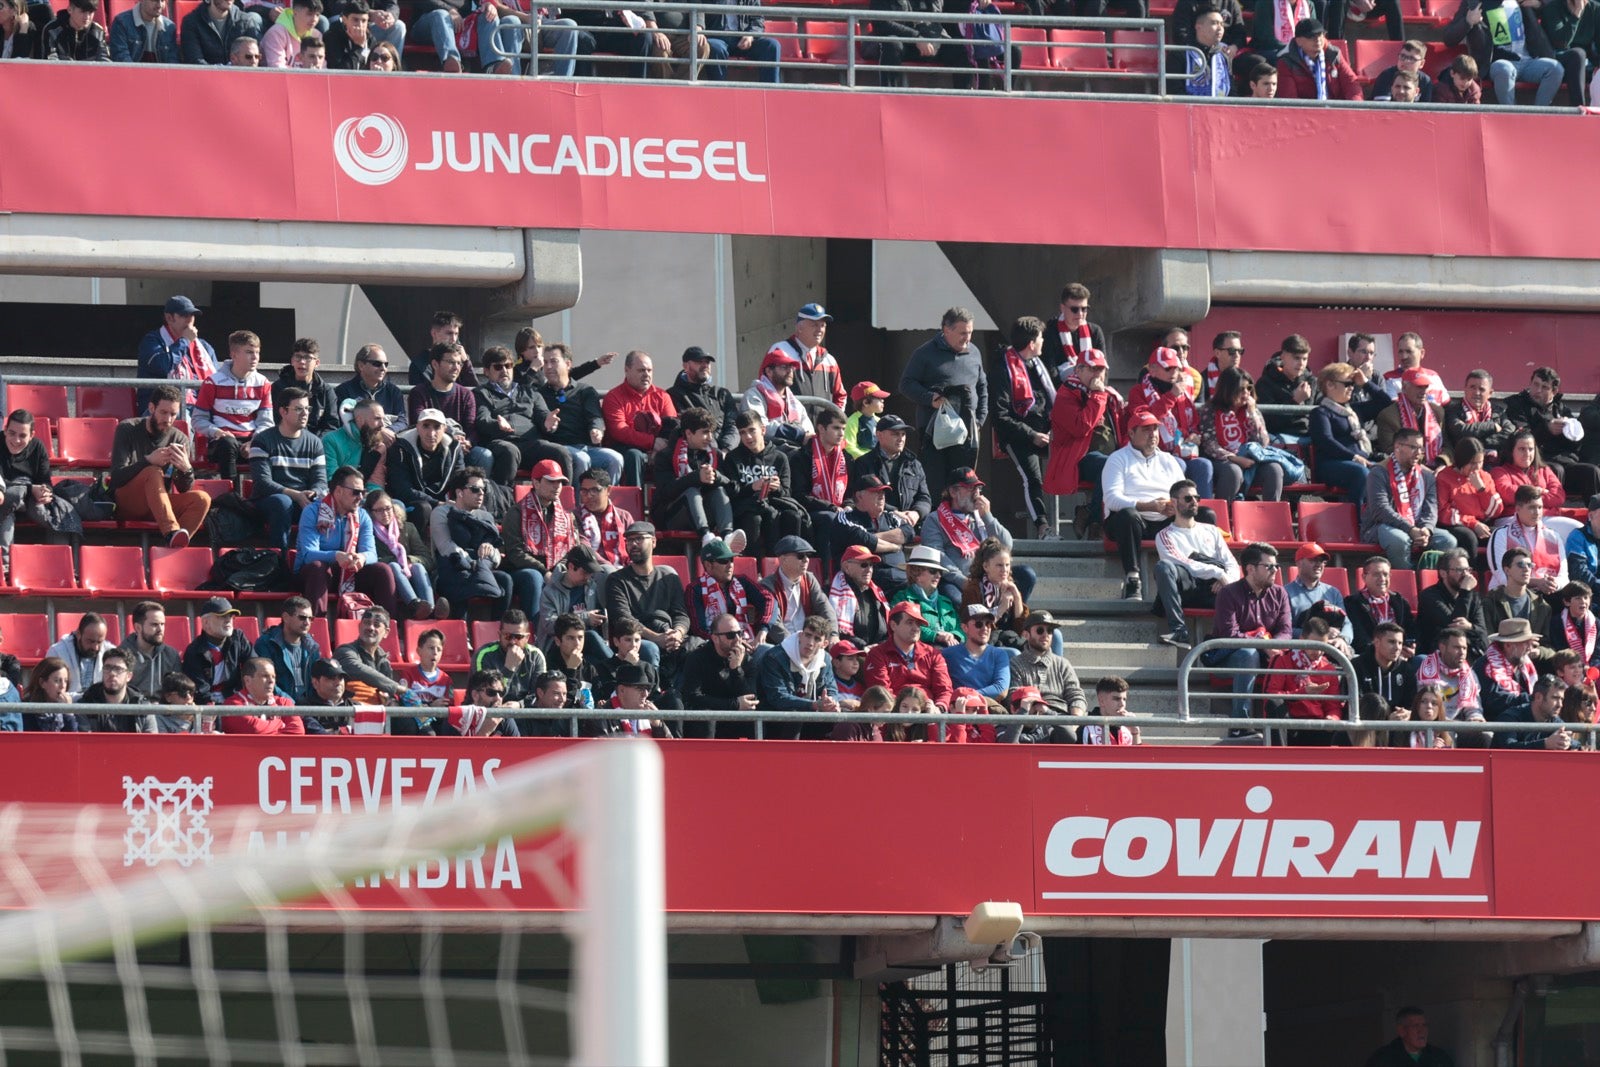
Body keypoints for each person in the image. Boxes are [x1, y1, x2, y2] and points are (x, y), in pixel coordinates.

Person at [110, 383, 211, 548]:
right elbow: (116, 478)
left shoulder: (179, 438)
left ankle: (173, 548)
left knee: (202, 499)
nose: (168, 419)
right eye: (163, 412)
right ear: (151, 408)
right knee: (153, 471)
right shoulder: (127, 428)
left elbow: (184, 488)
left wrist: (186, 470)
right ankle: (171, 532)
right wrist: (148, 460)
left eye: (173, 414)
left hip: (159, 505)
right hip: (128, 502)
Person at [1207, 542, 1292, 738]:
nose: (1275, 571)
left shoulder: (1280, 593)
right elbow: (1230, 635)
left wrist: (1274, 646)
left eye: (1276, 566)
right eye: (1269, 566)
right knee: (1248, 653)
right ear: (1250, 569)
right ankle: (1240, 724)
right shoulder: (1228, 593)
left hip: (1268, 653)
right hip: (1227, 656)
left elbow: (1286, 631)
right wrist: (1263, 644)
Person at [1103, 411, 1188, 601]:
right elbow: (1111, 500)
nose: (1153, 434)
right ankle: (1133, 579)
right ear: (1131, 434)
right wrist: (1148, 506)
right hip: (1131, 522)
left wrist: (1176, 506)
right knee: (1128, 515)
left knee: (1204, 514)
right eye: (1146, 429)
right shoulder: (1117, 458)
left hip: (1164, 519)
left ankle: (1192, 577)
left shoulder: (1168, 460)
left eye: (1155, 429)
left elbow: (1185, 492)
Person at [899, 307, 986, 492]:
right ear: (947, 330)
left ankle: (961, 520)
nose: (967, 338)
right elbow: (906, 384)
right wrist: (930, 398)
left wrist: (980, 419)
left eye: (970, 332)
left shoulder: (974, 352)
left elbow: (982, 386)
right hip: (934, 433)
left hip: (967, 432)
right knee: (936, 486)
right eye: (963, 333)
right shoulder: (924, 353)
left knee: (964, 486)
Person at [922, 468, 1035, 606]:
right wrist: (963, 581)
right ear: (953, 492)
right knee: (954, 597)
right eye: (970, 488)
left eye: (978, 487)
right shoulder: (935, 519)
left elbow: (1007, 545)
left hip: (990, 575)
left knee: (1026, 574)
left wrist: (988, 517)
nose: (976, 493)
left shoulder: (981, 515)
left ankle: (1008, 619)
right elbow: (938, 556)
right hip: (959, 580)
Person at [1044, 347, 1124, 538]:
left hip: (1108, 457)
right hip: (1076, 460)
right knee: (1110, 466)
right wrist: (1097, 396)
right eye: (1092, 369)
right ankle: (1095, 520)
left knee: (1126, 465)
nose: (1097, 374)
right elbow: (1082, 426)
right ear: (1078, 371)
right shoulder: (1066, 395)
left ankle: (1090, 513)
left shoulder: (1109, 395)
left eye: (1101, 369)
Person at [990, 316, 1056, 539]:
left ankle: (1084, 513)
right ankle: (1043, 527)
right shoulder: (1002, 368)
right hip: (1018, 435)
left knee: (1073, 461)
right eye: (1041, 338)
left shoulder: (1038, 365)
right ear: (1031, 344)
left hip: (1045, 432)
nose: (1043, 342)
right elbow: (1000, 416)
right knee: (1033, 479)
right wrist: (1031, 434)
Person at [1153, 480, 1240, 650]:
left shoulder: (1211, 530)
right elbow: (1183, 562)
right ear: (1174, 502)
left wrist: (1225, 580)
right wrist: (1218, 574)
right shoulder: (1165, 535)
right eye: (1188, 498)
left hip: (1213, 589)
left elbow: (1230, 562)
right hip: (1187, 589)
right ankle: (1179, 631)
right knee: (1163, 567)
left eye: (1196, 497)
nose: (1194, 502)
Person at [650, 408, 746, 553]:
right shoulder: (666, 456)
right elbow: (665, 492)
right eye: (705, 432)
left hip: (707, 512)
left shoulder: (715, 455)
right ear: (689, 433)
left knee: (718, 489)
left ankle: (727, 536)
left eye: (711, 432)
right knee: (691, 490)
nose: (710, 438)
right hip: (673, 516)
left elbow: (734, 489)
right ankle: (706, 536)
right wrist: (695, 477)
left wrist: (718, 477)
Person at [1361, 428, 1456, 570]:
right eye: (1413, 447)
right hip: (1379, 527)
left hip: (1416, 528)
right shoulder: (1379, 472)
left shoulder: (1426, 475)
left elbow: (1431, 508)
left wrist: (1426, 530)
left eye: (1421, 448)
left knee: (1448, 540)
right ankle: (1406, 582)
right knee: (1400, 540)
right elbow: (1380, 509)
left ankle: (1426, 580)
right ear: (1397, 447)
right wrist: (1410, 529)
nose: (1419, 453)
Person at [1445, 0, 1572, 105]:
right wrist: (1468, 22)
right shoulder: (1475, 3)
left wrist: (1539, 4)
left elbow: (1553, 5)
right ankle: (1511, 115)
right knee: (1505, 69)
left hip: (1527, 61)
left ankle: (1538, 114)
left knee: (1555, 69)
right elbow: (1448, 38)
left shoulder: (1521, 2)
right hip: (1498, 63)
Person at [472, 345, 568, 485]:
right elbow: (482, 420)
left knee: (561, 452)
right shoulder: (482, 393)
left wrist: (549, 423)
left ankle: (564, 501)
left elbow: (543, 415)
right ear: (487, 372)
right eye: (498, 367)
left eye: (508, 365)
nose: (504, 370)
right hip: (501, 442)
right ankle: (503, 499)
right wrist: (497, 424)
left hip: (530, 443)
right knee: (510, 451)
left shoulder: (529, 392)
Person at [249, 386, 329, 551]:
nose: (305, 413)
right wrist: (296, 495)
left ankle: (315, 559)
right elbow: (263, 482)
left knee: (326, 502)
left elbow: (321, 481)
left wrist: (313, 492)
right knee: (282, 502)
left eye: (308, 408)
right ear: (283, 412)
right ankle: (279, 560)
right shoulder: (263, 440)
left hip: (303, 500)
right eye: (299, 409)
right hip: (269, 501)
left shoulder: (315, 442)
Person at [603, 521, 690, 672]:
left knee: (697, 647)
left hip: (669, 636)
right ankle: (652, 693)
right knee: (650, 648)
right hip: (637, 640)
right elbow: (623, 619)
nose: (633, 544)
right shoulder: (617, 580)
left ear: (654, 541)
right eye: (629, 540)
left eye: (639, 538)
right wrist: (657, 638)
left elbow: (681, 614)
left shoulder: (669, 577)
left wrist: (677, 633)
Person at [1127, 346, 1212, 498]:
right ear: (1152, 370)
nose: (1174, 373)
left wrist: (1194, 435)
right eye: (1168, 368)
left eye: (1177, 368)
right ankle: (1174, 513)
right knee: (1177, 464)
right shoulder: (1138, 391)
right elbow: (1144, 421)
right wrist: (1171, 396)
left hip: (1183, 451)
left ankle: (1202, 514)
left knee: (1204, 465)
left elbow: (1193, 424)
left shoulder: (1183, 393)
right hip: (1150, 453)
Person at [432, 467, 517, 619]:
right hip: (451, 568)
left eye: (483, 489)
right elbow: (446, 547)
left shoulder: (486, 516)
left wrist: (490, 549)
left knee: (506, 580)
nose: (481, 493)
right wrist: (474, 562)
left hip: (482, 568)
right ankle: (462, 635)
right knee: (461, 578)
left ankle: (497, 628)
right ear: (459, 492)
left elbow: (497, 556)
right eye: (475, 489)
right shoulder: (441, 513)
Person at [504, 458, 580, 627]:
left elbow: (574, 548)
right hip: (523, 570)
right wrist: (544, 571)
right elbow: (515, 553)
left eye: (560, 482)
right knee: (533, 577)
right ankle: (535, 627)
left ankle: (576, 626)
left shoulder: (567, 516)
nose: (557, 486)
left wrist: (560, 568)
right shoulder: (516, 513)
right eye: (551, 481)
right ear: (536, 483)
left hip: (557, 568)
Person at [0, 409, 82, 562]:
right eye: (11, 433)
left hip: (30, 498)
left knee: (57, 515)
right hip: (6, 499)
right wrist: (30, 489)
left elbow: (45, 481)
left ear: (31, 436)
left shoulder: (38, 447)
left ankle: (60, 564)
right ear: (5, 430)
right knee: (12, 499)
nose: (16, 440)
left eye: (22, 435)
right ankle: (4, 566)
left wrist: (45, 492)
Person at [724, 410, 809, 557]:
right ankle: (756, 567)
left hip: (774, 505)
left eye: (752, 430)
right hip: (746, 508)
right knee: (755, 518)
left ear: (763, 430)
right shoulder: (733, 458)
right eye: (743, 433)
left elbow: (787, 493)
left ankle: (792, 562)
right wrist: (753, 487)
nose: (748, 437)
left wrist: (775, 488)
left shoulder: (780, 458)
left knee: (792, 516)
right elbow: (732, 492)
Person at [1505, 367, 1599, 498]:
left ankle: (1595, 514)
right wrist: (1547, 429)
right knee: (1555, 470)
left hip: (1565, 460)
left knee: (1592, 471)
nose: (1538, 390)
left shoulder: (1561, 409)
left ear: (1554, 391)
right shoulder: (1517, 405)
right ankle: (1550, 513)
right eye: (1535, 384)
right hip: (1535, 460)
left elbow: (1575, 447)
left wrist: (1572, 434)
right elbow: (1521, 436)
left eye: (1544, 387)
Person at [539, 342, 622, 483]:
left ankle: (605, 503)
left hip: (585, 447)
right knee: (581, 459)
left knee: (614, 458)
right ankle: (577, 504)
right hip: (557, 449)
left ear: (568, 364)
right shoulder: (539, 394)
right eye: (545, 362)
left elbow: (595, 416)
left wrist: (596, 429)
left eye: (553, 361)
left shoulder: (585, 391)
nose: (548, 367)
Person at [1200, 367, 1284, 502]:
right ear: (1227, 390)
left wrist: (1252, 415)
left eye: (1248, 388)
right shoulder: (1210, 410)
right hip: (1222, 461)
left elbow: (1263, 442)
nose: (1246, 393)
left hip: (1251, 460)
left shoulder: (1252, 410)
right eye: (1240, 390)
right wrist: (1235, 458)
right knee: (1233, 471)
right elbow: (1210, 445)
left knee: (1274, 469)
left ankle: (1272, 515)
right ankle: (1224, 516)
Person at [754, 614, 839, 740]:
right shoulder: (775, 657)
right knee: (795, 718)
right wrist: (814, 705)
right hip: (774, 719)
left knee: (840, 718)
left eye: (817, 639)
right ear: (800, 635)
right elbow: (778, 697)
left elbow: (831, 688)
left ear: (824, 644)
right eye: (808, 635)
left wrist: (831, 702)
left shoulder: (825, 659)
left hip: (808, 716)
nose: (810, 643)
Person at [1265, 617, 1346, 745]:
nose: (1318, 652)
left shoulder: (1329, 669)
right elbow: (1270, 697)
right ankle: (1279, 758)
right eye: (1314, 645)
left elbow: (1333, 706)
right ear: (1302, 640)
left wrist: (1332, 718)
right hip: (1289, 726)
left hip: (1317, 726)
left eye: (1323, 646)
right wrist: (1302, 693)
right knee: (1275, 704)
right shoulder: (1281, 659)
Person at [679, 612, 761, 738]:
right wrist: (734, 704)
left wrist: (736, 670)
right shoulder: (697, 658)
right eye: (731, 635)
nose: (738, 639)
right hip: (707, 720)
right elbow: (692, 697)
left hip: (734, 721)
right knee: (706, 717)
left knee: (756, 719)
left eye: (740, 633)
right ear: (715, 638)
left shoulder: (747, 660)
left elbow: (750, 699)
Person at [602, 350, 678, 486]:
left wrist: (657, 447)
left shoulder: (662, 396)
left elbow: (672, 426)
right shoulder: (614, 397)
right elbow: (619, 431)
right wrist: (652, 442)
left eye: (649, 370)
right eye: (641, 370)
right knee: (634, 455)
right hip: (624, 448)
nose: (646, 375)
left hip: (658, 447)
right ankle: (635, 503)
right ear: (627, 370)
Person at [365, 489, 443, 620]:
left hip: (410, 575)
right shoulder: (368, 531)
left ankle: (431, 609)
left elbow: (427, 559)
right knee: (394, 566)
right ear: (371, 513)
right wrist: (397, 561)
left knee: (418, 567)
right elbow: (372, 559)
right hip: (385, 578)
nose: (385, 514)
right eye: (379, 510)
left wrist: (408, 560)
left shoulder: (408, 528)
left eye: (388, 508)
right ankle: (415, 605)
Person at [408, 344, 486, 471]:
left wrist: (468, 442)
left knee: (483, 456)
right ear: (435, 364)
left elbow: (471, 428)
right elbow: (419, 424)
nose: (456, 367)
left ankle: (475, 489)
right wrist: (449, 438)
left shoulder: (466, 394)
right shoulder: (419, 393)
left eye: (459, 363)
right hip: (431, 448)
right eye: (451, 362)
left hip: (461, 449)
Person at [864, 602, 954, 712]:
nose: (916, 628)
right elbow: (881, 693)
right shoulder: (877, 654)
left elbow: (944, 689)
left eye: (918, 624)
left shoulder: (933, 654)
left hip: (928, 716)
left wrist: (939, 708)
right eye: (910, 623)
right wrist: (908, 710)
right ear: (893, 625)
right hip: (893, 717)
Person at [1311, 362, 1377, 507]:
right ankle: (1358, 522)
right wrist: (1353, 457)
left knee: (1386, 471)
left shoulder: (1353, 410)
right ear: (1330, 385)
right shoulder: (1320, 413)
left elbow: (1383, 402)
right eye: (1347, 383)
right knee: (1361, 473)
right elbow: (1326, 441)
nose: (1352, 388)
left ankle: (1383, 520)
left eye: (1353, 384)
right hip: (1332, 463)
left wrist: (1365, 383)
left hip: (1360, 460)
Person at [849, 414, 932, 526]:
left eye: (903, 434)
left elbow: (924, 498)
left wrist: (916, 513)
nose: (901, 438)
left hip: (912, 525)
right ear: (879, 435)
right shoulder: (864, 463)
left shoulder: (914, 464)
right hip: (876, 525)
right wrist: (895, 513)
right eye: (895, 434)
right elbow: (862, 499)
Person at [388, 408, 464, 527]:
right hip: (409, 502)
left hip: (441, 501)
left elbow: (460, 479)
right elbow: (402, 489)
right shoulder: (400, 448)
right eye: (426, 426)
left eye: (437, 427)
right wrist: (436, 503)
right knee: (424, 508)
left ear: (444, 429)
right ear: (417, 427)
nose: (431, 433)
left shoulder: (454, 448)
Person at [690, 537, 771, 645]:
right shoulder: (695, 589)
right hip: (714, 647)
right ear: (708, 565)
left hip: (748, 642)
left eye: (731, 560)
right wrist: (732, 643)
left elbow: (768, 599)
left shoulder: (742, 581)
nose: (730, 565)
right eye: (723, 561)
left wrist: (763, 630)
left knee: (768, 652)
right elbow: (699, 630)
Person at [137, 295, 216, 405]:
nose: (190, 320)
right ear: (169, 318)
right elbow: (163, 366)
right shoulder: (152, 341)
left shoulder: (204, 347)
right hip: (162, 408)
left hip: (201, 407)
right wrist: (185, 341)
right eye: (184, 315)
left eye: (192, 315)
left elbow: (217, 377)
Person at [1486, 485, 1567, 593]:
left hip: (1547, 594)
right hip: (1508, 596)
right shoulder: (1501, 534)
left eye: (1540, 507)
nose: (1537, 512)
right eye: (1532, 507)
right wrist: (1536, 582)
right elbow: (1501, 576)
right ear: (1518, 509)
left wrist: (1554, 585)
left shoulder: (1554, 536)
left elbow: (1564, 577)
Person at [1435, 438, 1503, 562]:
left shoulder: (1485, 476)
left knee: (1501, 535)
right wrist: (1472, 523)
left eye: (1480, 462)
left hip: (1481, 522)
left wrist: (1482, 489)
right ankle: (1471, 575)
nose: (1476, 467)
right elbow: (1443, 512)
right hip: (1455, 524)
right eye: (1472, 463)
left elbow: (1496, 511)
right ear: (1461, 461)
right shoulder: (1444, 477)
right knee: (1469, 537)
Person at [768, 304, 845, 411]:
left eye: (822, 325)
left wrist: (835, 420)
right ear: (799, 328)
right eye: (814, 325)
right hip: (790, 426)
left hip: (822, 428)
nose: (819, 330)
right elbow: (766, 388)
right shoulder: (780, 350)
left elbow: (840, 396)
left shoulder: (829, 360)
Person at [760, 535, 833, 644]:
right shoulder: (768, 585)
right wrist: (796, 644)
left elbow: (824, 607)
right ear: (783, 559)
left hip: (809, 642)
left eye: (807, 555)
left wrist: (833, 635)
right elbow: (775, 625)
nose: (806, 560)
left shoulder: (809, 579)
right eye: (800, 556)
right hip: (781, 644)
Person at [181, 596, 254, 704]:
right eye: (222, 616)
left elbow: (255, 666)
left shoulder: (238, 638)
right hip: (208, 706)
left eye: (230, 616)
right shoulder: (194, 651)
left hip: (236, 700)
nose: (228, 620)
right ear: (206, 623)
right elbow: (200, 692)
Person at [667, 346, 740, 454]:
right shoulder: (673, 395)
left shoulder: (722, 394)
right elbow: (682, 428)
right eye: (699, 361)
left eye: (707, 362)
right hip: (696, 457)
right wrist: (714, 452)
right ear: (686, 366)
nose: (705, 365)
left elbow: (733, 425)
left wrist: (725, 450)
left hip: (727, 454)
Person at [1416, 549, 1488, 657]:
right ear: (1443, 573)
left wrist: (1469, 627)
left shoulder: (1474, 597)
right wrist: (1465, 591)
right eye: (1459, 570)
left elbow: (1483, 635)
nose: (1466, 575)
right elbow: (1454, 629)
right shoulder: (1429, 596)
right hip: (1436, 657)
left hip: (1468, 655)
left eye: (1468, 570)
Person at [252, 595, 323, 705]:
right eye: (302, 617)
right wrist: (291, 704)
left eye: (311, 618)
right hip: (279, 705)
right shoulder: (266, 643)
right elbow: (266, 682)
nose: (307, 623)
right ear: (285, 617)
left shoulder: (312, 647)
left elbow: (317, 682)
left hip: (309, 705)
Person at [742, 347, 813, 455]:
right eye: (784, 367)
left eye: (791, 367)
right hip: (767, 456)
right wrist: (797, 434)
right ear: (769, 371)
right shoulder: (753, 395)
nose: (790, 371)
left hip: (795, 453)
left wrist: (804, 435)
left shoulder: (795, 402)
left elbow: (809, 432)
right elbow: (759, 427)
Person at [890, 546, 962, 647]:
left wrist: (953, 635)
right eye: (933, 571)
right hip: (919, 653)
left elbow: (961, 627)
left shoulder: (946, 601)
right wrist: (935, 635)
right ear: (916, 573)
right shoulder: (902, 598)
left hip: (952, 650)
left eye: (940, 572)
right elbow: (903, 626)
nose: (938, 575)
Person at [1414, 625, 1484, 727]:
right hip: (1434, 725)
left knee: (1485, 735)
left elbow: (1474, 707)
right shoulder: (1426, 671)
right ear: (1442, 647)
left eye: (1464, 648)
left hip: (1461, 726)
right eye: (1457, 648)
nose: (1462, 653)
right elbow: (1426, 710)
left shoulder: (1469, 674)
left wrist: (1476, 718)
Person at [473, 609, 547, 704]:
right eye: (507, 636)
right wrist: (509, 669)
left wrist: (520, 705)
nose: (512, 641)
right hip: (490, 711)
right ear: (499, 635)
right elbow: (486, 696)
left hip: (524, 713)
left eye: (518, 637)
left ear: (527, 638)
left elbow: (540, 695)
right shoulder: (484, 655)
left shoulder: (536, 656)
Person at [75, 648, 156, 734]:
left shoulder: (142, 707)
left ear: (129, 676)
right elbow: (85, 743)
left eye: (118, 669)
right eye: (107, 668)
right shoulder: (86, 704)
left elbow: (151, 744)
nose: (112, 673)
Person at [1477, 617, 1543, 724]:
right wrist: (1531, 699)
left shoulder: (1524, 664)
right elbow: (1494, 701)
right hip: (1497, 725)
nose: (1530, 648)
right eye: (1525, 643)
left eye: (1531, 643)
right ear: (1508, 645)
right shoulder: (1487, 666)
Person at [940, 603, 1011, 702]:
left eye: (988, 624)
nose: (985, 628)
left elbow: (1001, 690)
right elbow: (941, 688)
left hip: (988, 711)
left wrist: (969, 696)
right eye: (979, 624)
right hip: (959, 711)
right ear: (965, 628)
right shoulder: (948, 655)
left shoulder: (999, 655)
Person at [1375, 369, 1446, 467]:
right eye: (1418, 387)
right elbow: (1392, 452)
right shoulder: (1388, 416)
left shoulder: (1437, 411)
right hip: (1405, 469)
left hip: (1437, 465)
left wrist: (1442, 463)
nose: (1423, 391)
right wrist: (1423, 468)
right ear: (1404, 387)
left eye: (1425, 387)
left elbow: (1447, 444)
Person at [1444, 369, 1515, 466]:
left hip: (1494, 464)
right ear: (1465, 389)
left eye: (1481, 389)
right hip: (1463, 466)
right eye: (1472, 387)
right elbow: (1460, 431)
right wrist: (1491, 426)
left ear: (1490, 393)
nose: (1476, 393)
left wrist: (1479, 443)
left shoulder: (1498, 411)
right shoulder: (1453, 410)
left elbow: (1510, 432)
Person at [1256, 334, 1319, 442]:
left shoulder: (1312, 381)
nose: (1301, 363)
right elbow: (1268, 422)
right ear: (1283, 356)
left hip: (1311, 435)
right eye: (1296, 358)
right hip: (1280, 437)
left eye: (1305, 359)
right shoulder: (1266, 383)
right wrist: (1295, 402)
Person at [1349, 556, 1416, 655]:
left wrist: (1410, 646)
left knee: (1421, 660)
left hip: (1400, 655)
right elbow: (1359, 638)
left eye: (1386, 574)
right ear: (1364, 577)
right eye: (1376, 574)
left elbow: (1411, 630)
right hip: (1369, 657)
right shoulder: (1353, 603)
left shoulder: (1399, 601)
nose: (1382, 579)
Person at [334, 343, 408, 434]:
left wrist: (389, 431)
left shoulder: (393, 391)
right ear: (361, 365)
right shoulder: (343, 391)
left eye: (386, 364)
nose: (383, 368)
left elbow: (402, 421)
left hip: (387, 443)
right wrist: (379, 432)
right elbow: (345, 423)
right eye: (377, 364)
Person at [218, 658, 303, 735]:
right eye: (265, 676)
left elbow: (298, 731)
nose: (271, 681)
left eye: (273, 677)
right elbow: (254, 729)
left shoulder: (284, 703)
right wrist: (280, 723)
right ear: (248, 680)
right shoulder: (233, 704)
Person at [829, 544, 889, 647]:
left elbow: (885, 630)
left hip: (878, 652)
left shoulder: (875, 593)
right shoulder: (831, 594)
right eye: (864, 565)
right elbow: (838, 632)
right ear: (847, 567)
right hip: (850, 655)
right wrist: (863, 647)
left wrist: (879, 647)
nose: (869, 569)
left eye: (871, 565)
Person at [1041, 283, 1106, 378]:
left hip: (1091, 387)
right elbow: (1050, 371)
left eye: (1084, 309)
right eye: (1074, 309)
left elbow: (1102, 368)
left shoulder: (1095, 332)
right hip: (1061, 388)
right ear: (1062, 308)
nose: (1080, 314)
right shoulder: (1049, 331)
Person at [323, 400, 390, 490]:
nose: (382, 424)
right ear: (359, 419)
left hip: (366, 498)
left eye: (383, 419)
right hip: (339, 497)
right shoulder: (331, 440)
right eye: (377, 419)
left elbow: (376, 484)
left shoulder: (379, 447)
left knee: (398, 504)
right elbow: (333, 480)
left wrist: (370, 499)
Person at [120, 601, 181, 700]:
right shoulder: (122, 655)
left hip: (164, 712)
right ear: (138, 627)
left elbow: (177, 691)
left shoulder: (171, 655)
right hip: (133, 711)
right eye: (154, 625)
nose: (160, 629)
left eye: (162, 624)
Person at [1491, 429, 1566, 509]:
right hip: (1514, 518)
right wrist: (1540, 491)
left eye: (1530, 449)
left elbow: (1559, 497)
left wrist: (1527, 496)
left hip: (1547, 515)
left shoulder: (1544, 470)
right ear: (1511, 451)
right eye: (1522, 449)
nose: (1527, 454)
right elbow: (1508, 495)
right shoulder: (1499, 472)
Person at [575, 468, 635, 568]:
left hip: (624, 569)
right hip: (591, 570)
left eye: (594, 490)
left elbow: (634, 545)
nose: (589, 496)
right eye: (584, 491)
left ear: (608, 490)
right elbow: (585, 550)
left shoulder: (624, 516)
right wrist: (614, 570)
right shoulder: (575, 516)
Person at [1364, 1007, 1456, 1067]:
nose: (1422, 1031)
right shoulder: (1382, 1059)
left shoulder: (1439, 1058)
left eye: (1424, 1025)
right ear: (1402, 1031)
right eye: (1415, 1026)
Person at [45, 612, 107, 701]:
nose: (95, 647)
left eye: (99, 642)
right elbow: (51, 691)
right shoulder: (57, 652)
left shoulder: (110, 653)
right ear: (78, 634)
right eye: (90, 641)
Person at [180, 0, 262, 64]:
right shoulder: (191, 22)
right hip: (206, 80)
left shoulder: (246, 22)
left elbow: (253, 60)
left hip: (240, 79)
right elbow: (194, 61)